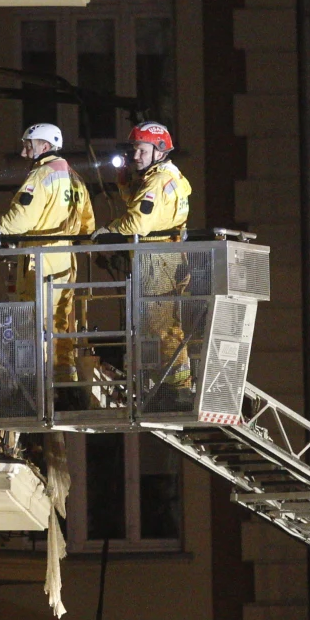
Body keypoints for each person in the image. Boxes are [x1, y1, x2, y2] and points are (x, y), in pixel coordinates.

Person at [93, 122, 194, 407]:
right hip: (165, 256)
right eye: (134, 149)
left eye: (141, 149)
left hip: (158, 259)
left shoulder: (157, 180)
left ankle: (178, 391)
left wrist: (109, 231)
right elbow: (144, 210)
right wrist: (125, 183)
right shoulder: (164, 176)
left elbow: (138, 221)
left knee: (162, 327)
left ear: (158, 150)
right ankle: (172, 388)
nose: (135, 155)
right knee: (159, 325)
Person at [0, 123, 95, 382]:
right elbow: (87, 224)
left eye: (28, 146)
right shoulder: (75, 178)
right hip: (66, 262)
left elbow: (20, 219)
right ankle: (63, 382)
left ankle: (36, 384)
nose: (24, 153)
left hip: (40, 261)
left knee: (35, 321)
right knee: (59, 321)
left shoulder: (41, 175)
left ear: (44, 147)